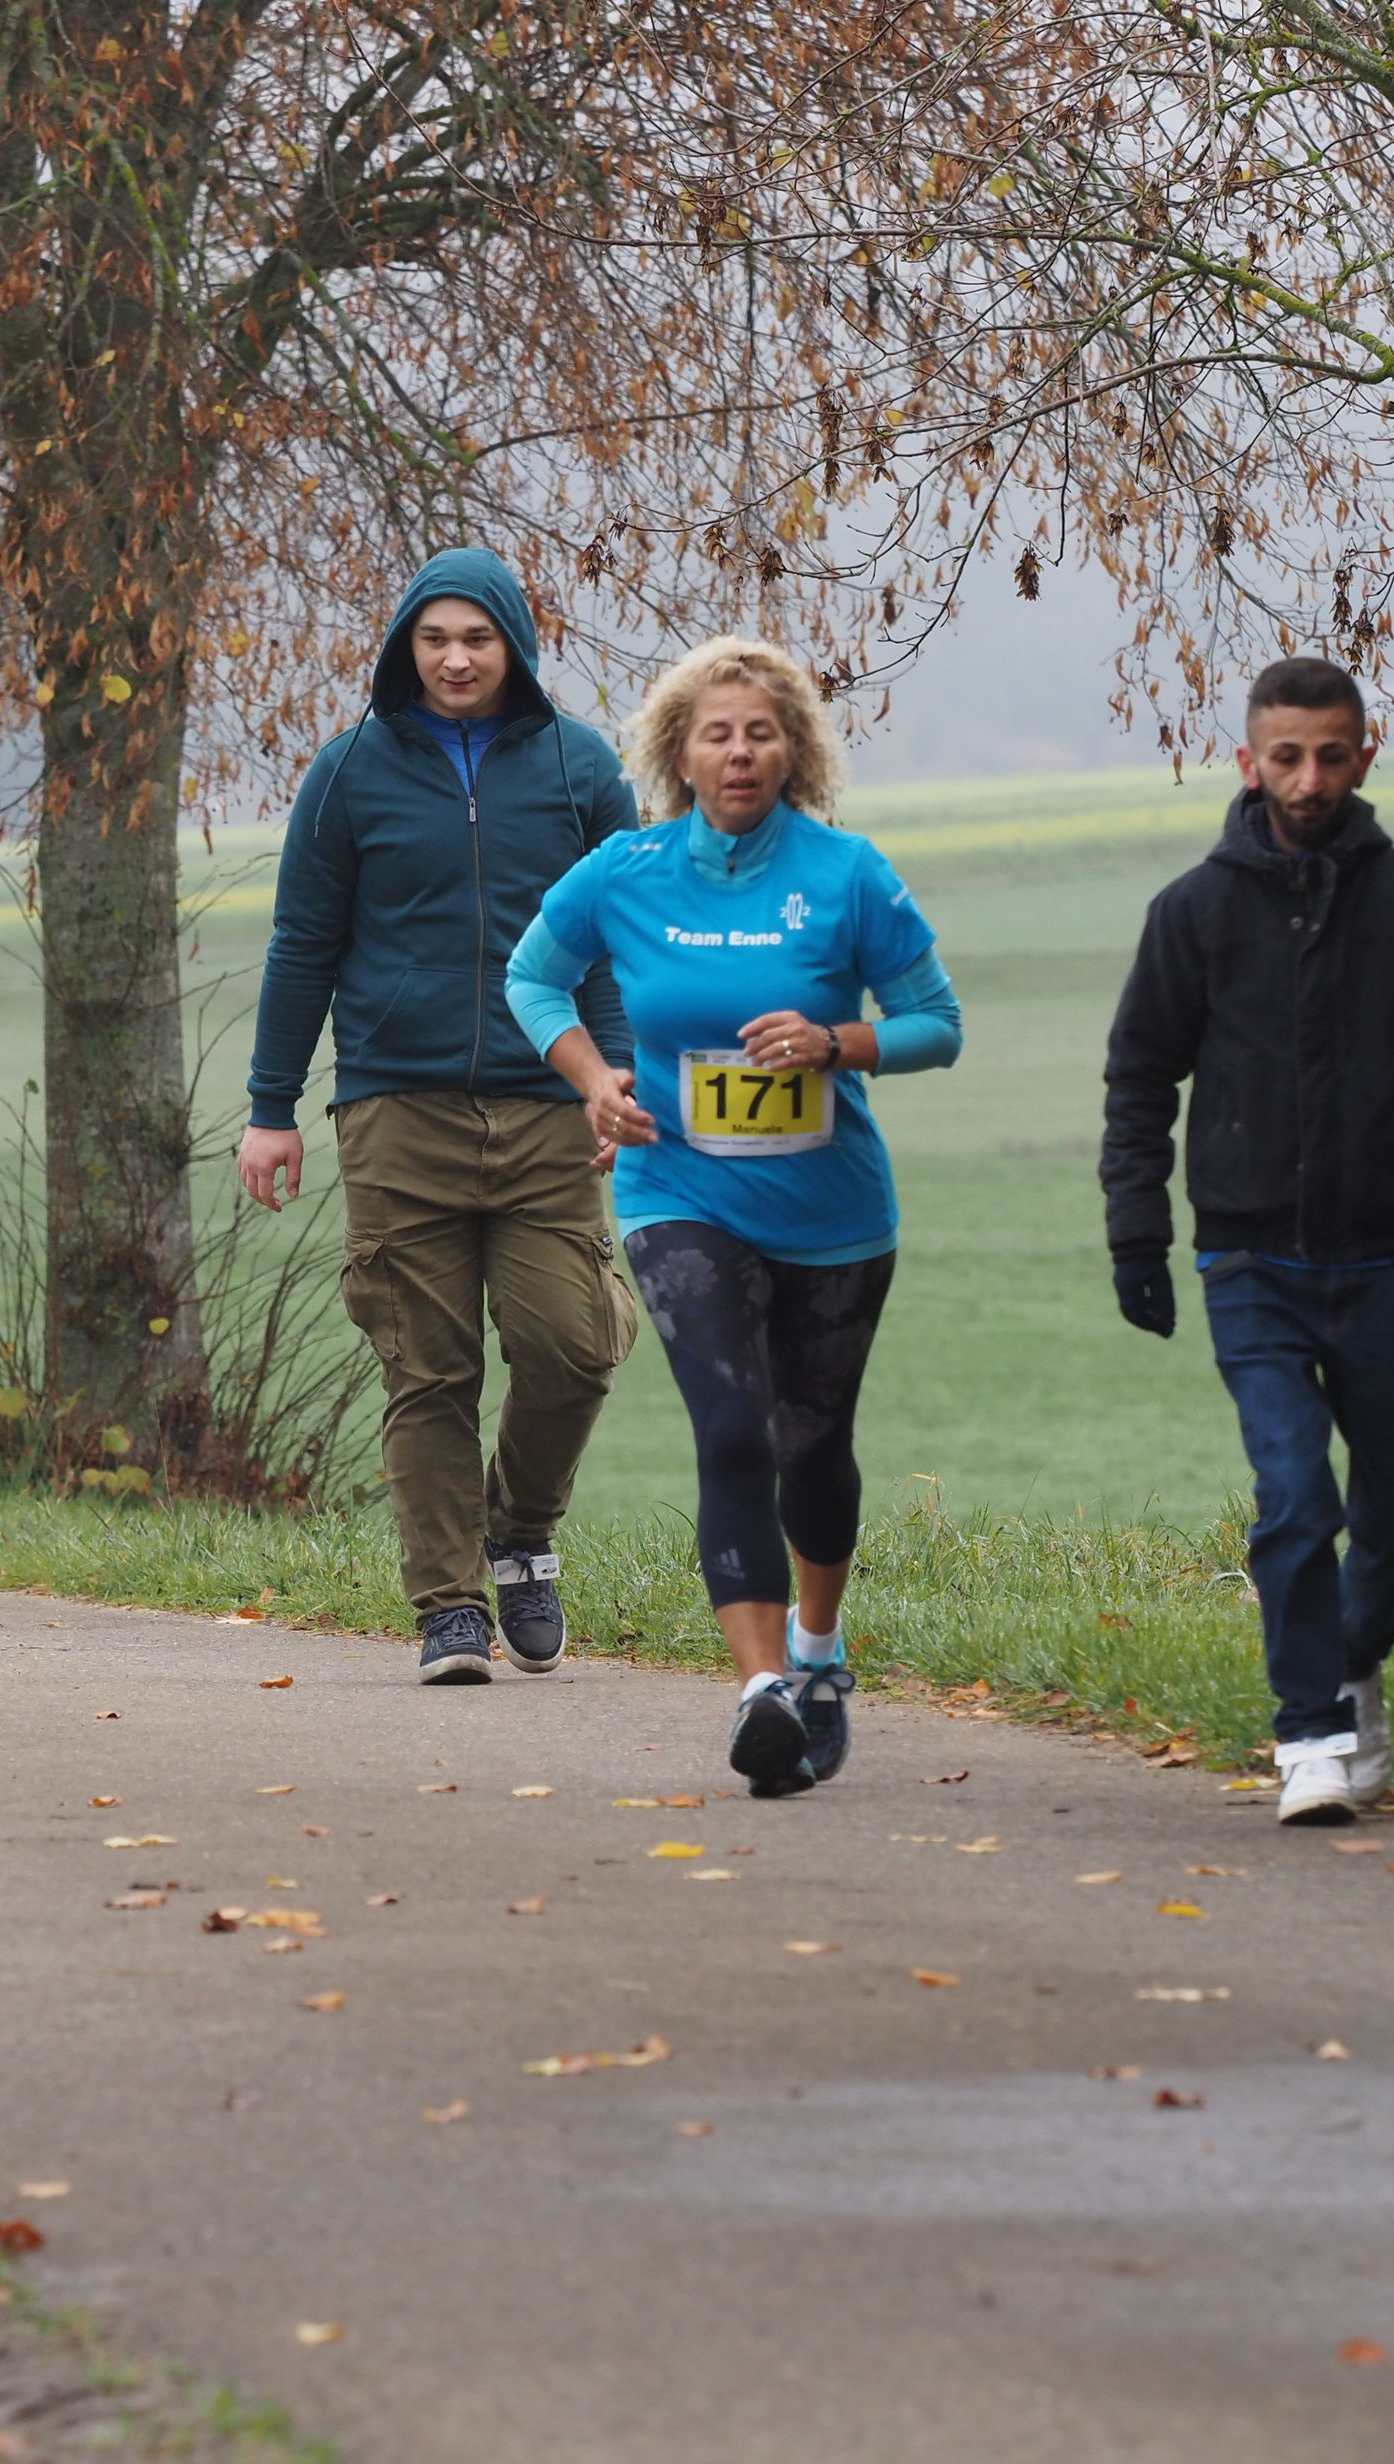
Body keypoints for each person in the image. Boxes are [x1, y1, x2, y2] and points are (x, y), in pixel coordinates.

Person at [505, 638, 961, 1797]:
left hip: (833, 1212)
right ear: (680, 753)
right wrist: (594, 1081)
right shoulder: (626, 871)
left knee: (815, 1447)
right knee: (732, 1430)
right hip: (679, 1195)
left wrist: (838, 1042)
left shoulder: (847, 874)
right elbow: (532, 977)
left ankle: (818, 1647)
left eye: (761, 732)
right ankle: (762, 1690)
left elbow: (937, 1023)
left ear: (793, 749)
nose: (740, 752)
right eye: (717, 733)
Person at [1099, 655, 1394, 1827]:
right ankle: (1310, 1736)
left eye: (1331, 756)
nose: (1309, 779)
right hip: (1250, 1264)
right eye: (1286, 757)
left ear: (1364, 757)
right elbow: (1140, 1082)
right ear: (1249, 762)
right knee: (1295, 1496)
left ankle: (1347, 1665)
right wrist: (1138, 1237)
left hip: (1385, 1262)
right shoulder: (1192, 913)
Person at [240, 547, 643, 1687]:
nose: (455, 660)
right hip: (396, 1108)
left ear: (514, 644)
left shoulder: (580, 768)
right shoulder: (348, 773)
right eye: (434, 639)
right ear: (404, 647)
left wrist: (616, 1073)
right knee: (427, 1368)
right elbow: (302, 945)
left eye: (476, 638)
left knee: (573, 1342)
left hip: (550, 1106)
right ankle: (451, 1607)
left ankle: (520, 1533)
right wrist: (272, 1107)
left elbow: (615, 939)